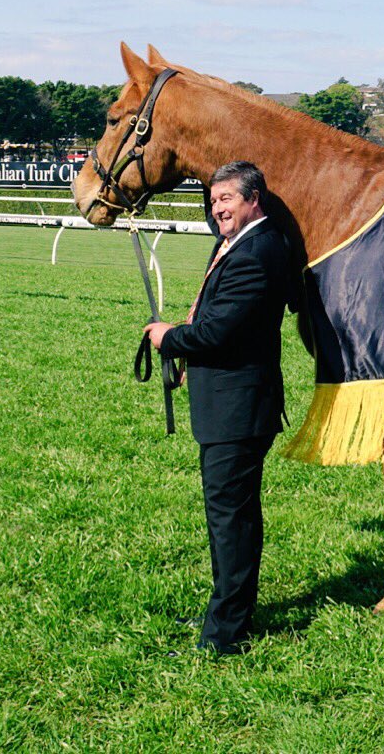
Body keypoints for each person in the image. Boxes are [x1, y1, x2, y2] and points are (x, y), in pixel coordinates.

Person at [144, 160, 289, 655]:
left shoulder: (257, 251)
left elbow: (218, 332)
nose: (217, 208)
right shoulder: (239, 239)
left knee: (232, 518)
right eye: (212, 200)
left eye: (226, 198)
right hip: (228, 403)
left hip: (239, 409)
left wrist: (170, 339)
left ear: (254, 199)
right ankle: (225, 610)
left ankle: (227, 631)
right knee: (225, 514)